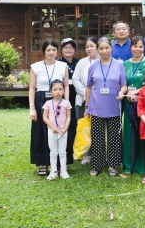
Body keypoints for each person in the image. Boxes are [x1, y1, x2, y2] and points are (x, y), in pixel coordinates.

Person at [84, 37, 127, 177]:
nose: (104, 51)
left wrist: (122, 92)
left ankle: (112, 165)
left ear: (111, 48)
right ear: (97, 49)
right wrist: (86, 107)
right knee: (97, 137)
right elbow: (89, 88)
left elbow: (124, 85)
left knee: (114, 137)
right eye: (101, 48)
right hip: (96, 107)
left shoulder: (119, 65)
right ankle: (96, 165)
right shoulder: (93, 66)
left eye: (106, 48)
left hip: (114, 106)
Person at [29, 40, 69, 177]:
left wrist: (66, 103)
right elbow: (32, 88)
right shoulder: (35, 67)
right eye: (48, 50)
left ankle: (59, 164)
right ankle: (44, 163)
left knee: (60, 129)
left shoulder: (63, 66)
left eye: (54, 50)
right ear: (44, 52)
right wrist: (32, 108)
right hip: (41, 100)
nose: (51, 52)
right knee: (41, 131)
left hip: (59, 101)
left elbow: (66, 86)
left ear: (57, 51)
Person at [122, 36, 145, 174]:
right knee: (129, 132)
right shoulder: (124, 64)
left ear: (144, 48)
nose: (137, 49)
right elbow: (123, 83)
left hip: (144, 101)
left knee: (143, 130)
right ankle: (129, 165)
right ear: (130, 48)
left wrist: (137, 91)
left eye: (141, 46)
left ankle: (142, 165)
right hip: (128, 102)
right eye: (135, 46)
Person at [73, 36, 99, 164]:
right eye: (87, 46)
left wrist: (94, 95)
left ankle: (98, 153)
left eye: (91, 46)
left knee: (97, 128)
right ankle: (86, 153)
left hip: (100, 101)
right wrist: (87, 94)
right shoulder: (82, 62)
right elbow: (75, 80)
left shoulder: (104, 61)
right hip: (82, 100)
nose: (89, 49)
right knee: (84, 127)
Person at [42, 79, 72, 180]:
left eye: (60, 89)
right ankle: (53, 171)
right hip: (52, 131)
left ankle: (63, 170)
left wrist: (65, 128)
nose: (58, 91)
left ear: (64, 90)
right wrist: (52, 127)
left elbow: (68, 117)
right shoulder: (48, 103)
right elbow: (45, 117)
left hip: (63, 131)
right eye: (55, 89)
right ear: (51, 91)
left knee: (62, 151)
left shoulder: (66, 103)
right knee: (53, 152)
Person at [58, 38, 79, 169]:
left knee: (75, 123)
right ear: (61, 50)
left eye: (71, 47)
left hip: (77, 96)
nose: (68, 50)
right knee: (63, 122)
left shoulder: (79, 62)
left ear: (75, 50)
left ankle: (73, 150)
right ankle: (63, 151)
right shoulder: (59, 63)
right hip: (62, 96)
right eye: (65, 47)